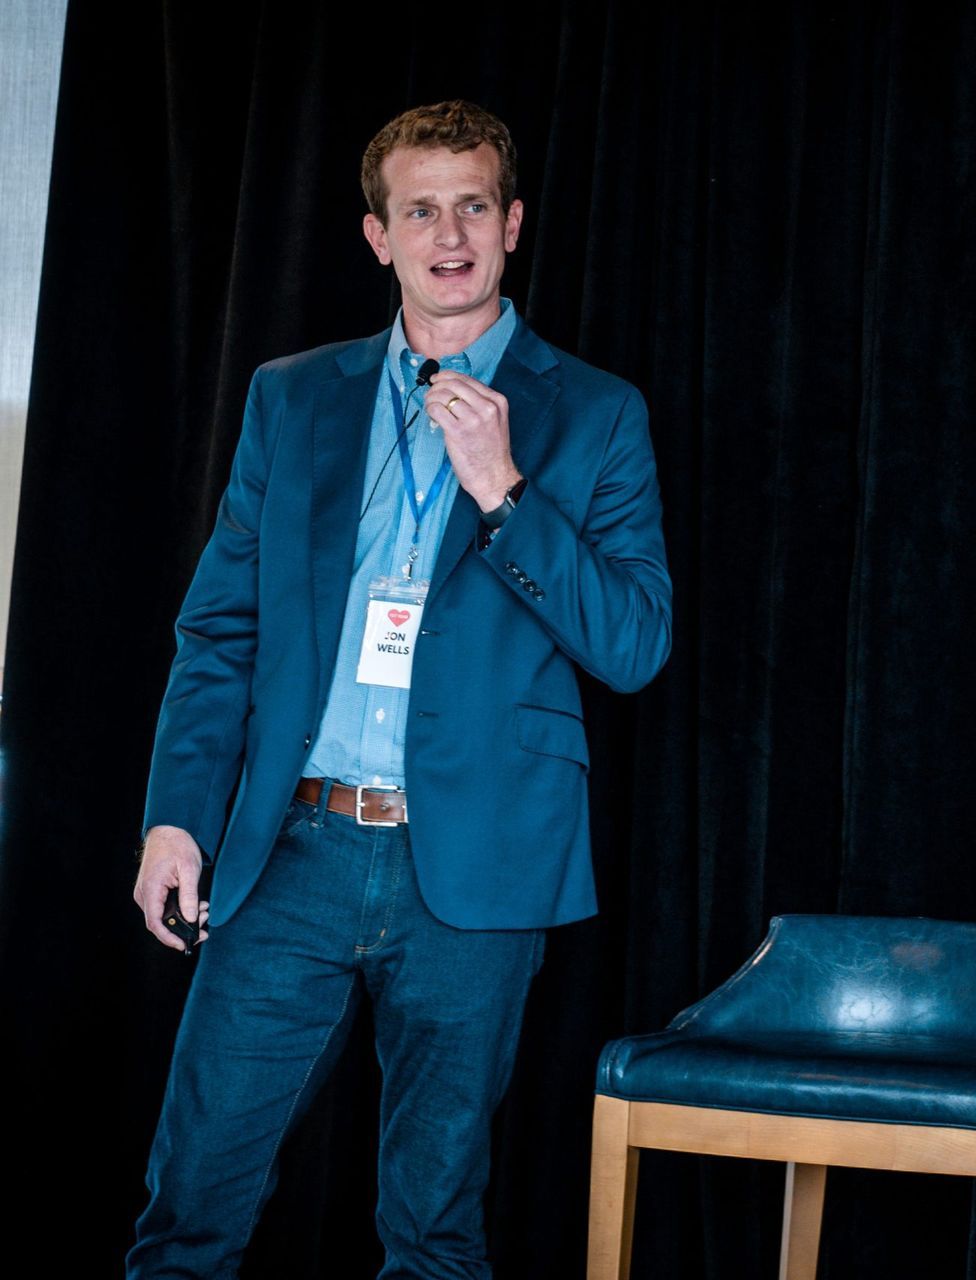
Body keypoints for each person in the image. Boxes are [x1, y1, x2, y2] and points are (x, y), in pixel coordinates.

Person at [126, 100, 671, 1277]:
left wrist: (507, 491)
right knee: (189, 1210)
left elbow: (634, 643)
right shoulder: (293, 396)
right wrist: (176, 815)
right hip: (293, 850)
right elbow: (220, 628)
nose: (450, 232)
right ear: (379, 236)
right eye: (420, 209)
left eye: (473, 204)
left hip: (473, 869)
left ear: (512, 222)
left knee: (433, 1232)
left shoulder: (597, 411)